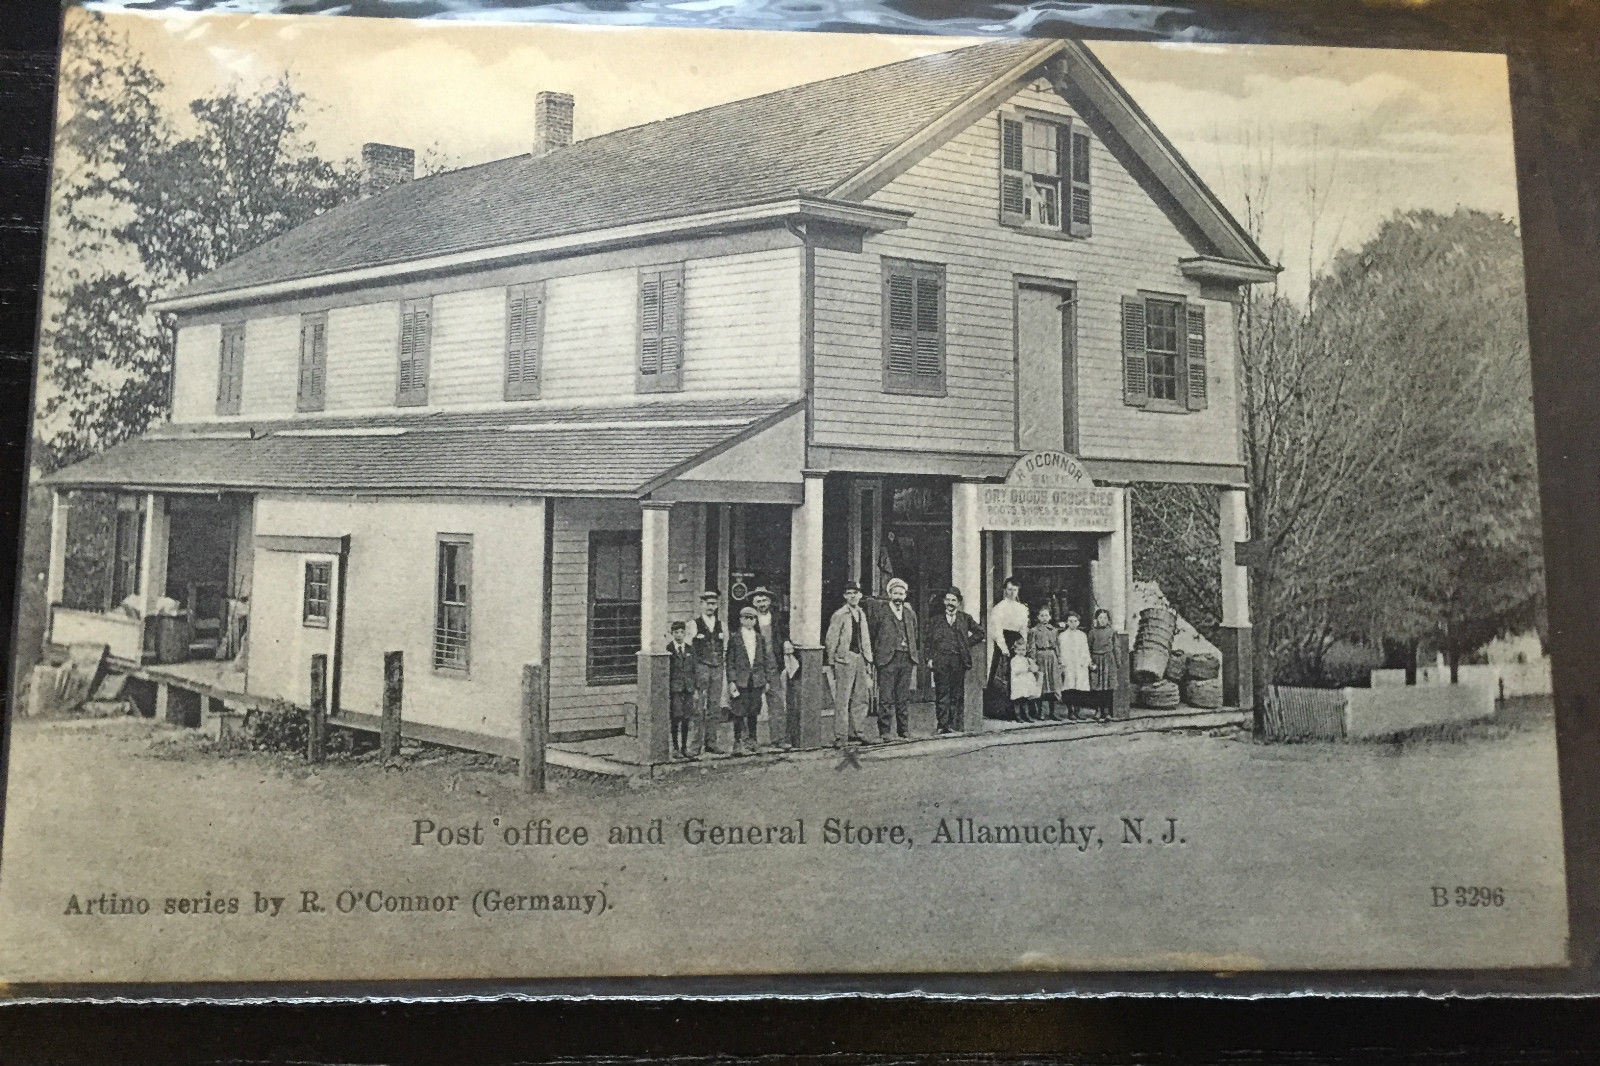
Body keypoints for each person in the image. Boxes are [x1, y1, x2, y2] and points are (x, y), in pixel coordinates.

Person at [866, 576, 920, 740]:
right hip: (887, 659)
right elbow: (873, 634)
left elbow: (915, 633)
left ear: (905, 596)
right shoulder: (881, 612)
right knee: (886, 697)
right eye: (895, 593)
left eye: (901, 594)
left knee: (903, 697)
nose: (898, 597)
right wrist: (876, 656)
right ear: (890, 594)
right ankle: (885, 731)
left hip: (906, 658)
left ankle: (903, 730)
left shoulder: (910, 613)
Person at [824, 580, 876, 746]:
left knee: (861, 697)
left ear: (860, 595)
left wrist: (868, 660)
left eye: (855, 593)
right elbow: (831, 639)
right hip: (844, 659)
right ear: (845, 596)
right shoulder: (840, 614)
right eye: (849, 593)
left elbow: (865, 638)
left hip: (860, 658)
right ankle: (841, 736)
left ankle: (858, 732)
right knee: (843, 698)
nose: (853, 596)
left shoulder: (861, 613)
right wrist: (832, 661)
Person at [925, 587, 981, 735]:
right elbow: (928, 641)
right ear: (944, 601)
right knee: (942, 692)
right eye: (948, 600)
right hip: (941, 660)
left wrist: (965, 643)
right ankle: (942, 725)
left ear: (958, 603)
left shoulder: (965, 618)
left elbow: (980, 632)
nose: (950, 603)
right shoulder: (935, 620)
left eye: (953, 600)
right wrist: (929, 658)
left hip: (958, 660)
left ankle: (954, 725)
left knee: (956, 693)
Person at [725, 606, 770, 756]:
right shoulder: (735, 638)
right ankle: (737, 741)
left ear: (755, 621)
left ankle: (752, 739)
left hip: (756, 679)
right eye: (746, 618)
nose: (749, 621)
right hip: (741, 680)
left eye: (752, 618)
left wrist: (765, 680)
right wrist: (732, 681)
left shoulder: (759, 638)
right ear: (741, 620)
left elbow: (764, 660)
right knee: (738, 711)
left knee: (753, 710)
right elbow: (730, 661)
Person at [749, 587, 788, 749]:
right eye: (758, 601)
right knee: (752, 703)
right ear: (753, 603)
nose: (762, 604)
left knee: (776, 702)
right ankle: (750, 740)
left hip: (773, 664)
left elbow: (785, 635)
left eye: (764, 600)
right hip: (755, 666)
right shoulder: (750, 620)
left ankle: (778, 738)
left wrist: (787, 642)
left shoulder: (777, 618)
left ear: (770, 601)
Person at [689, 589, 727, 755]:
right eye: (708, 603)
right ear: (701, 604)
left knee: (714, 706)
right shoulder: (693, 625)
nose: (711, 607)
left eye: (714, 604)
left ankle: (711, 742)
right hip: (701, 668)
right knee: (699, 707)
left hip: (717, 668)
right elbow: (688, 651)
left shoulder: (722, 625)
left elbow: (725, 648)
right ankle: (695, 745)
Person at [986, 576, 1029, 720]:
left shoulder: (1022, 608)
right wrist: (1003, 648)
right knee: (1002, 675)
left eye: (1014, 590)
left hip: (1017, 643)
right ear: (1005, 590)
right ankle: (1000, 711)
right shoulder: (999, 608)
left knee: (1019, 676)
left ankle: (1019, 711)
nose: (1012, 593)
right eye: (1009, 589)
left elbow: (1023, 628)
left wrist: (1024, 644)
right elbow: (997, 630)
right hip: (1003, 642)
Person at [1028, 603, 1065, 721]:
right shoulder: (1034, 631)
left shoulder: (1054, 630)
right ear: (1038, 617)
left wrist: (1059, 659)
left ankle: (1052, 712)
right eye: (1042, 615)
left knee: (1052, 685)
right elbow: (1032, 646)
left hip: (1052, 658)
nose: (1044, 618)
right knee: (1041, 685)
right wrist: (1033, 660)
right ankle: (1041, 712)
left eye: (1046, 615)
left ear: (1050, 617)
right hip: (1040, 657)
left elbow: (1057, 646)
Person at [1057, 610, 1092, 721]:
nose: (1073, 623)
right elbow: (1060, 650)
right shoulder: (1062, 636)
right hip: (1068, 664)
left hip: (1079, 664)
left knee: (1079, 688)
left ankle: (1077, 711)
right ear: (1067, 622)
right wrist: (1062, 663)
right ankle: (1070, 711)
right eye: (1070, 621)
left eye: (1075, 621)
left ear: (1078, 622)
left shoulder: (1082, 635)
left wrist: (1086, 662)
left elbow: (1085, 650)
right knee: (1069, 688)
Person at [1087, 607, 1118, 722]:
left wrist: (1117, 662)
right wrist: (1090, 662)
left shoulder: (1112, 632)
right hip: (1096, 660)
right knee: (1097, 687)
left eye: (1105, 618)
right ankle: (1098, 710)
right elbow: (1088, 648)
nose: (1102, 620)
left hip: (1108, 660)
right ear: (1096, 619)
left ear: (1108, 619)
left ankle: (1107, 711)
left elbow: (1116, 647)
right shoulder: (1092, 632)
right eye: (1100, 618)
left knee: (1108, 687)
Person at [1008, 633, 1042, 720]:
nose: (1021, 652)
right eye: (1019, 650)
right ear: (1015, 650)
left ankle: (1026, 715)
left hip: (1025, 682)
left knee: (1025, 699)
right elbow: (1016, 670)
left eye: (1023, 650)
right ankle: (1018, 715)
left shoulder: (1027, 659)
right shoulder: (1014, 660)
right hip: (1018, 682)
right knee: (1017, 699)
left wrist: (1033, 667)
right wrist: (1027, 669)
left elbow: (1035, 668)